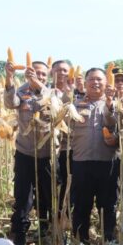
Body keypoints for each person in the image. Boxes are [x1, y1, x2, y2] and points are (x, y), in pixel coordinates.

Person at [4, 60, 52, 245]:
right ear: (29, 72)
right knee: (23, 197)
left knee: (48, 195)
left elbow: (52, 103)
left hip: (48, 154)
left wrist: (38, 86)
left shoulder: (51, 92)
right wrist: (9, 79)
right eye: (36, 73)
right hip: (25, 152)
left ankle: (47, 231)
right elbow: (10, 103)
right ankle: (19, 237)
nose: (39, 76)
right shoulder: (21, 91)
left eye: (43, 75)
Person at [69, 68, 118, 245]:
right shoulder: (75, 105)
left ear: (106, 83)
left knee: (108, 204)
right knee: (81, 204)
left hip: (107, 162)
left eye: (99, 80)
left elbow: (119, 128)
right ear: (85, 83)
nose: (95, 83)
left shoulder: (114, 105)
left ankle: (109, 239)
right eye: (92, 79)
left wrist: (110, 105)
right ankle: (80, 241)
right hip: (82, 162)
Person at [50, 60, 75, 211]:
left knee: (66, 184)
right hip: (45, 150)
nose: (61, 73)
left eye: (65, 70)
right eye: (57, 70)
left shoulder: (77, 92)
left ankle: (64, 217)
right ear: (51, 72)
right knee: (47, 187)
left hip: (67, 149)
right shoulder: (43, 92)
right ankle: (48, 224)